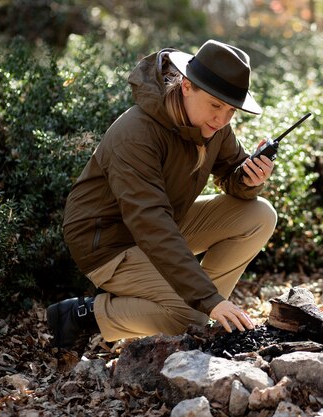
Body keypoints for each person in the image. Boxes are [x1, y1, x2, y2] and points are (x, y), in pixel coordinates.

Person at [46, 39, 277, 349]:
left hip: (165, 223)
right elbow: (150, 222)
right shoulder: (136, 133)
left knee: (259, 215)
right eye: (215, 105)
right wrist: (206, 300)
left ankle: (196, 313)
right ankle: (83, 314)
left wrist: (251, 179)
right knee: (192, 313)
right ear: (186, 87)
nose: (222, 119)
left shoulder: (214, 127)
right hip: (107, 242)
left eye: (231, 110)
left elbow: (233, 176)